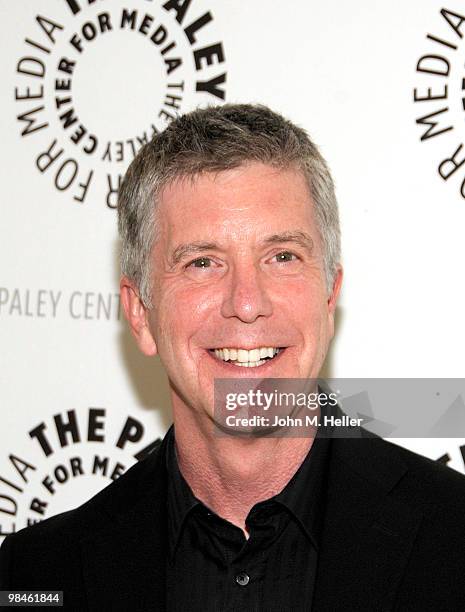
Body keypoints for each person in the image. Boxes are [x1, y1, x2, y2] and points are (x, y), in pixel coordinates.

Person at [1, 104, 465, 611]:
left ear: (329, 296)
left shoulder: (454, 537)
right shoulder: (38, 574)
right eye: (203, 262)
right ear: (140, 313)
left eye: (282, 256)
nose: (246, 304)